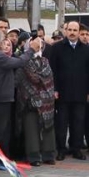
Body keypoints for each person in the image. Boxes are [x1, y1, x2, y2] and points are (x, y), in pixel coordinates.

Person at [48, 21, 89, 160]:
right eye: (70, 30)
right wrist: (54, 89)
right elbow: (52, 70)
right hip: (62, 93)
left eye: (75, 30)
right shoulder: (56, 48)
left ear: (79, 32)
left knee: (78, 123)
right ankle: (61, 149)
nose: (72, 32)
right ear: (65, 31)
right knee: (61, 123)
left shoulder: (86, 50)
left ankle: (76, 149)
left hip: (80, 93)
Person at [16, 37, 58, 166]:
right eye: (35, 45)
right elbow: (25, 80)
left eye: (40, 45)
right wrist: (34, 94)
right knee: (31, 128)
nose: (38, 47)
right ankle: (33, 156)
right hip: (30, 99)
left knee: (48, 127)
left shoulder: (45, 60)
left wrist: (44, 92)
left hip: (47, 98)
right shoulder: (23, 61)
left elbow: (48, 77)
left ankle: (49, 154)